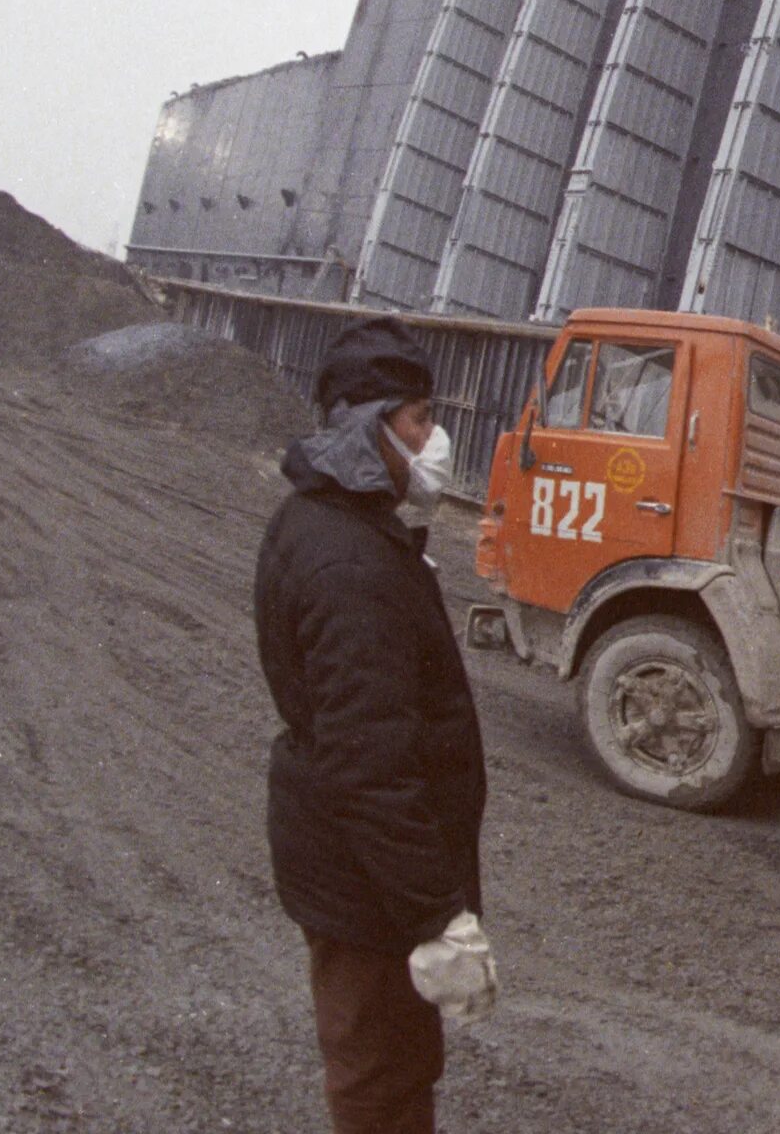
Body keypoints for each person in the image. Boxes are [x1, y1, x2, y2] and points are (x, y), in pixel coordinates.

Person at [254, 317, 496, 1134]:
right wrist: (437, 915)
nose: (436, 439)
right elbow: (369, 763)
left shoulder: (340, 527)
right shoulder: (350, 562)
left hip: (363, 873)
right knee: (378, 1078)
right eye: (420, 419)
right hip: (367, 881)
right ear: (369, 425)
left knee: (393, 1060)